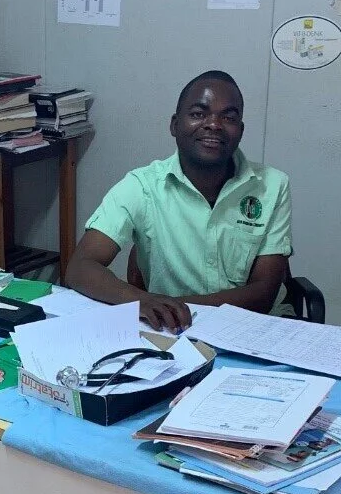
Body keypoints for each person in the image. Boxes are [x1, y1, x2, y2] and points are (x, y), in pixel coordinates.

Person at [65, 71, 292, 332]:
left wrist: (171, 306)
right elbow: (81, 267)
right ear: (174, 125)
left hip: (253, 328)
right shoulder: (142, 186)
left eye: (228, 117)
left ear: (240, 130)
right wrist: (142, 301)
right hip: (175, 331)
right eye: (198, 114)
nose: (214, 124)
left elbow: (263, 294)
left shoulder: (272, 185)